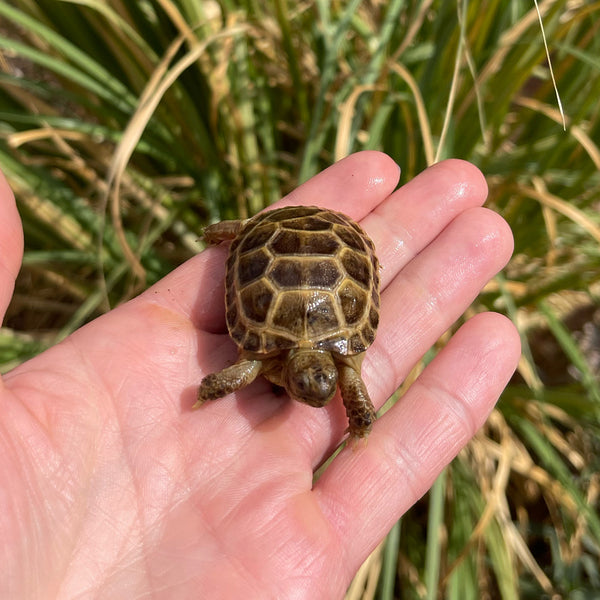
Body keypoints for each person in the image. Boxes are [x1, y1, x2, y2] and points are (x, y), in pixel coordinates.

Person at [0, 152, 520, 599]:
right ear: (292, 376)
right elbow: (239, 372)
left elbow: (333, 387)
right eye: (307, 387)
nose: (317, 394)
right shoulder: (273, 361)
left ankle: (246, 232)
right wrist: (210, 387)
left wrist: (361, 420)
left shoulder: (319, 363)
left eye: (315, 388)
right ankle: (244, 232)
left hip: (300, 244)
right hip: (296, 242)